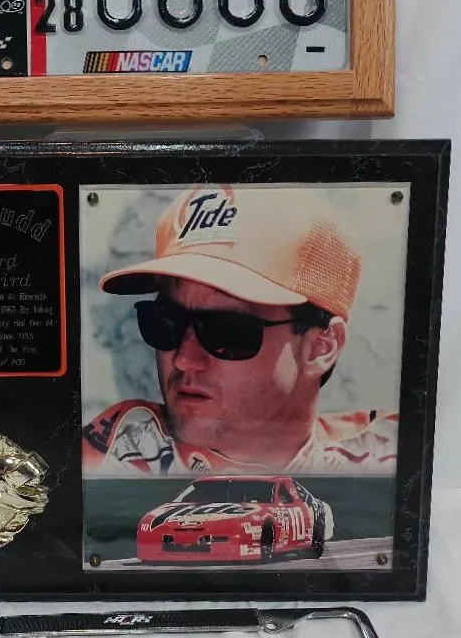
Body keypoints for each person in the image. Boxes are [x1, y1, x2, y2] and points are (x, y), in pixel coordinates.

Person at [82, 185, 397, 476]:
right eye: (165, 321)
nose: (183, 359)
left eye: (227, 331)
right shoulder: (100, 463)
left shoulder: (387, 462)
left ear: (321, 347)